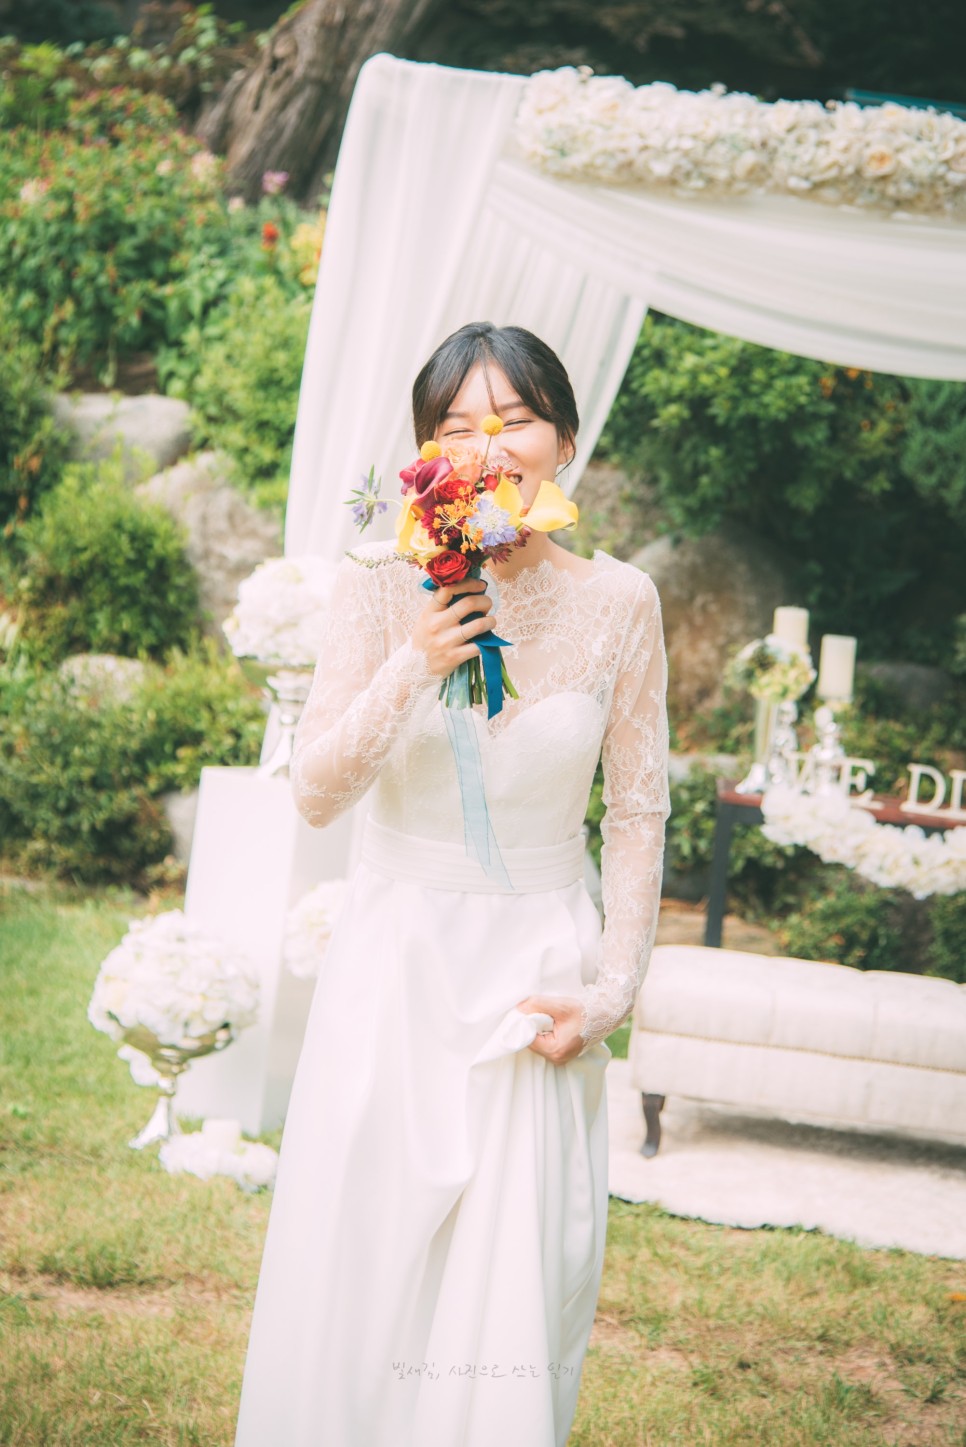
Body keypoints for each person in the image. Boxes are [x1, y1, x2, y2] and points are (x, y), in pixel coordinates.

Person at [233, 322, 670, 1447]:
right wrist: (414, 659)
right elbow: (316, 793)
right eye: (458, 426)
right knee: (365, 1259)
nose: (488, 445)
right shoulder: (380, 584)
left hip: (537, 974)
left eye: (515, 419)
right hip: (396, 963)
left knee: (510, 1274)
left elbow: (635, 810)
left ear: (563, 440)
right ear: (426, 453)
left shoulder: (623, 601)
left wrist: (611, 992)